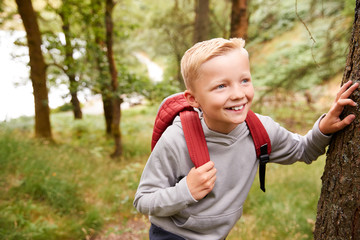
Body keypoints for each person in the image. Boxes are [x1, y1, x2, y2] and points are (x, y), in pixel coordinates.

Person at [133, 38, 359, 240]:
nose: (238, 94)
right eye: (221, 86)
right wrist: (186, 191)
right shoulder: (177, 139)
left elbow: (304, 150)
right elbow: (143, 200)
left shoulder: (260, 129)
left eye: (244, 80)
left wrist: (324, 128)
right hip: (173, 235)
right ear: (193, 99)